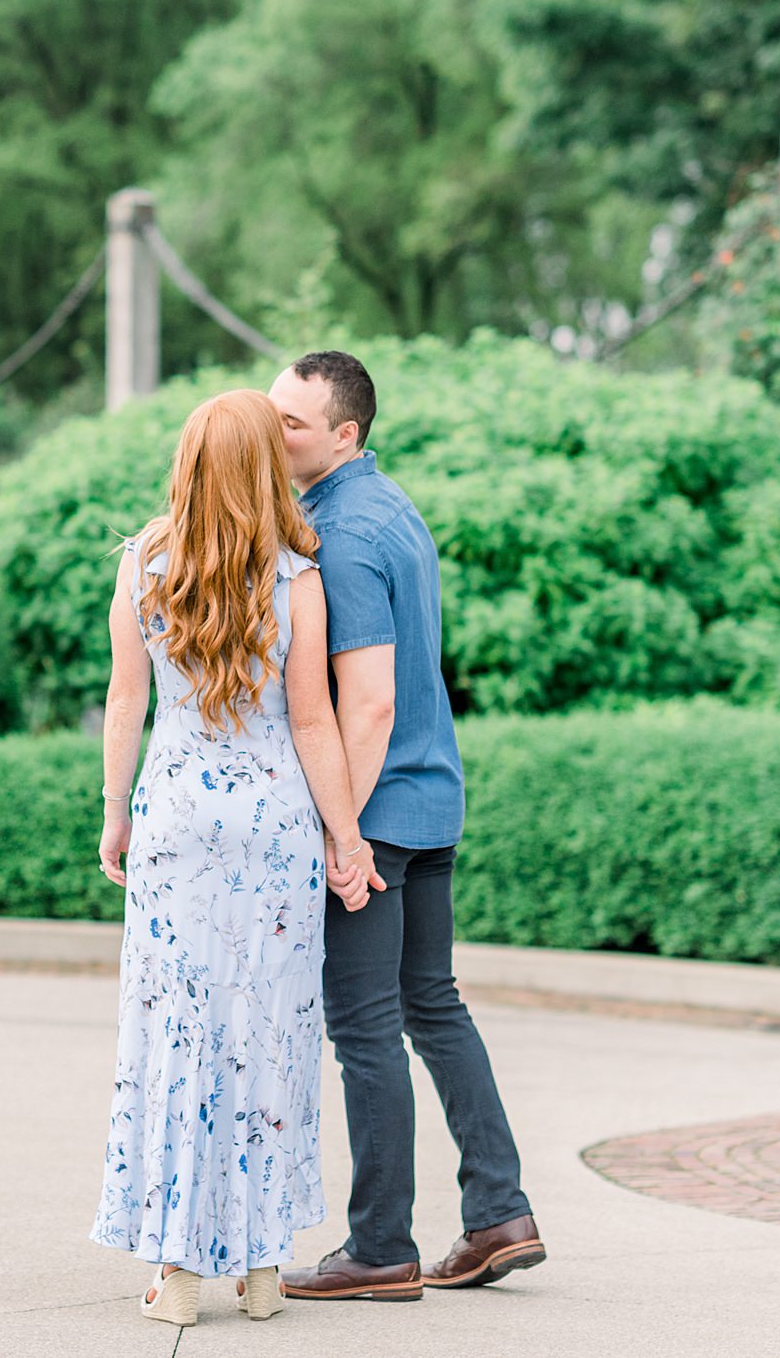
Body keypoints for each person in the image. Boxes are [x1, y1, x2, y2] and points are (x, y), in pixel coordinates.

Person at [89, 388, 383, 1329]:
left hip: (176, 819)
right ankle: (261, 1270)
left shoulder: (145, 564)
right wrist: (348, 839)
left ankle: (175, 1272)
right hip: (273, 830)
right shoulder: (299, 576)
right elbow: (312, 722)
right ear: (264, 465)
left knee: (178, 1039)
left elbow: (125, 703)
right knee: (268, 1037)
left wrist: (112, 816)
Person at [268, 350, 545, 1303]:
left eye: (293, 424)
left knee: (365, 1027)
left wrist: (342, 831)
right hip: (434, 801)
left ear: (344, 435)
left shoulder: (338, 532)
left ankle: (380, 1245)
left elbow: (370, 702)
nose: (276, 434)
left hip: (378, 814)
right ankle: (499, 1215)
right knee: (433, 1006)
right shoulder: (395, 506)